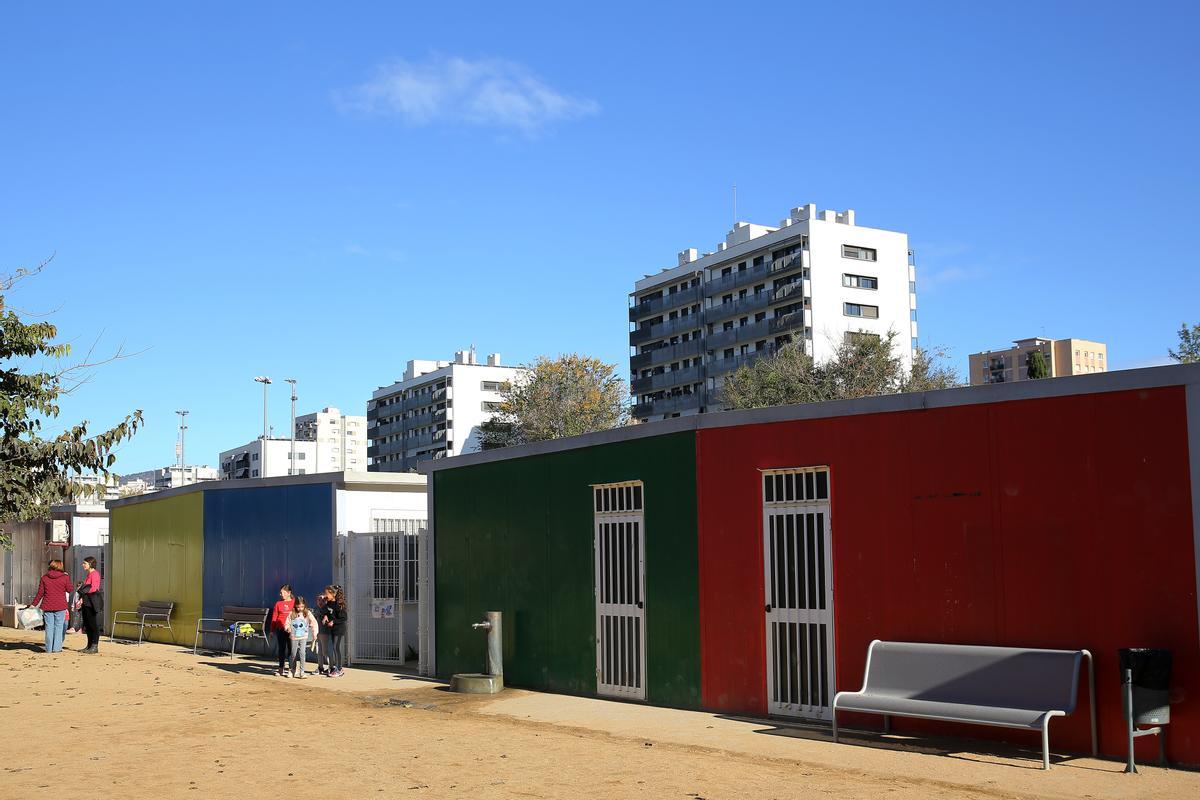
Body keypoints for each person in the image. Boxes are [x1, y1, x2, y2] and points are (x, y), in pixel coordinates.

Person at [30, 559, 72, 653]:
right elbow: (69, 589)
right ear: (60, 566)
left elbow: (40, 593)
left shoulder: (44, 578)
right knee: (59, 627)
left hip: (47, 606)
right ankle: (57, 649)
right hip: (60, 606)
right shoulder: (64, 577)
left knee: (49, 628)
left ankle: (48, 649)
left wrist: (33, 604)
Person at [75, 556, 103, 654]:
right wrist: (82, 597)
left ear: (90, 564)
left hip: (92, 601)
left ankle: (94, 646)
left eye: (85, 563)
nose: (83, 565)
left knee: (93, 624)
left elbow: (94, 588)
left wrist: (83, 590)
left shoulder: (94, 574)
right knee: (87, 624)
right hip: (87, 601)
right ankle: (89, 646)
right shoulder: (89, 574)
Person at [319, 585, 348, 677]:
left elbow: (344, 618)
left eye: (327, 593)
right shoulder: (328, 603)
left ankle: (339, 669)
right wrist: (325, 616)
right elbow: (325, 612)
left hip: (339, 629)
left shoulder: (339, 604)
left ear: (334, 594)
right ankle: (336, 667)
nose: (325, 595)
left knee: (336, 647)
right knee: (334, 647)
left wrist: (333, 621)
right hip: (332, 629)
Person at [286, 597, 319, 678]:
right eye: (298, 607)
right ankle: (292, 669)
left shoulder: (307, 613)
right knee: (293, 653)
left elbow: (314, 622)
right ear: (295, 606)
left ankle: (302, 671)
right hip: (293, 637)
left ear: (304, 606)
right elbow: (287, 623)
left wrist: (315, 633)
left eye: (302, 607)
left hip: (303, 636)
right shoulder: (291, 613)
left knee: (302, 653)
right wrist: (288, 628)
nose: (300, 608)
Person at [269, 584, 295, 677]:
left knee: (292, 650)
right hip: (280, 630)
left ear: (289, 593)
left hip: (292, 630)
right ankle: (281, 669)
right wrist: (271, 630)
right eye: (280, 593)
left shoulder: (294, 603)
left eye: (283, 593)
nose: (281, 594)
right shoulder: (278, 604)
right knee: (281, 649)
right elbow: (274, 618)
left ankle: (291, 669)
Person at [314, 592, 332, 676]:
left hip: (325, 633)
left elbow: (330, 615)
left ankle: (331, 667)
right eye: (318, 600)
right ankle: (320, 667)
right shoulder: (316, 609)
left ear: (326, 601)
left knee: (325, 652)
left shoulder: (327, 609)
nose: (320, 601)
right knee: (319, 652)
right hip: (318, 632)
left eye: (322, 600)